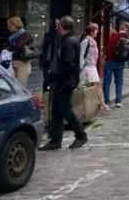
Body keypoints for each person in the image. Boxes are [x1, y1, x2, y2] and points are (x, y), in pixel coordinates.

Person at [40, 16, 88, 150]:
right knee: (56, 110)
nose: (56, 27)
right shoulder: (67, 39)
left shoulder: (70, 41)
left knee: (65, 109)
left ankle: (81, 135)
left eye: (58, 25)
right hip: (61, 80)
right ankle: (56, 140)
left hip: (65, 81)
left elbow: (68, 64)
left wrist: (56, 76)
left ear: (61, 26)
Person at [103, 22, 129, 106]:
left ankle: (107, 101)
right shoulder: (128, 38)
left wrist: (106, 57)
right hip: (120, 62)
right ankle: (118, 101)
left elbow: (109, 47)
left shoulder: (115, 34)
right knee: (119, 82)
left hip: (110, 61)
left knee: (107, 82)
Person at [80, 23, 107, 113]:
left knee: (96, 85)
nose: (98, 31)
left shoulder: (93, 41)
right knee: (93, 86)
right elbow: (81, 55)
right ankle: (100, 105)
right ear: (92, 31)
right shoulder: (86, 41)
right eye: (96, 29)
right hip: (87, 67)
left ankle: (100, 104)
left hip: (92, 66)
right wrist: (82, 68)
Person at [6, 16, 36, 86]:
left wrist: (8, 49)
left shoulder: (25, 34)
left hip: (23, 64)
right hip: (13, 64)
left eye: (9, 25)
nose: (8, 28)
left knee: (20, 86)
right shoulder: (13, 36)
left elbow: (19, 46)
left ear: (15, 25)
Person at [40, 20, 61, 94]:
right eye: (55, 24)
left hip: (56, 61)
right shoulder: (47, 35)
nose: (56, 26)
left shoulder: (60, 36)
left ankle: (50, 92)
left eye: (57, 24)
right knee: (46, 78)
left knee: (53, 79)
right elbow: (41, 46)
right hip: (47, 60)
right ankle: (45, 92)